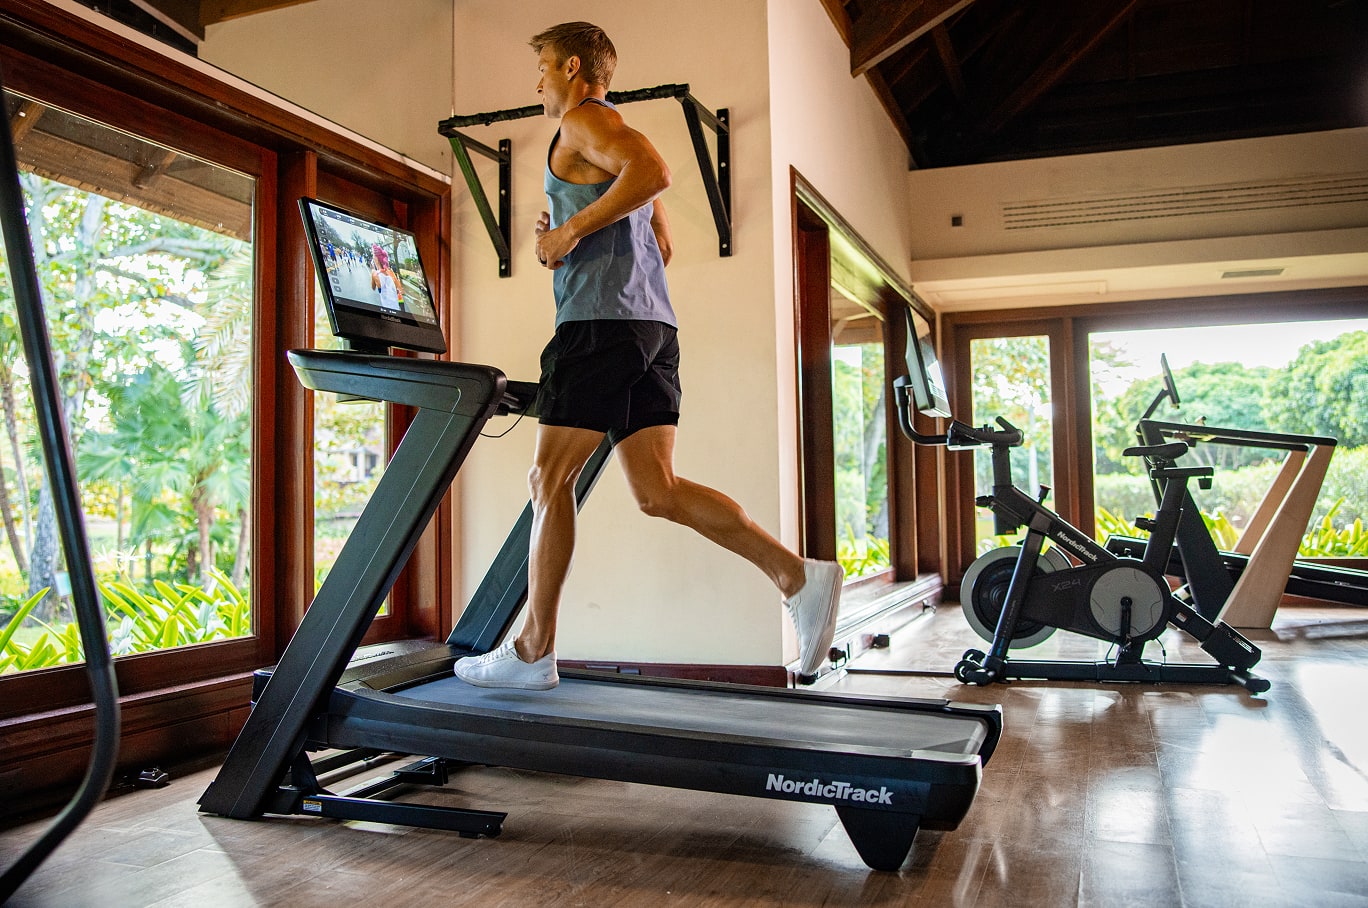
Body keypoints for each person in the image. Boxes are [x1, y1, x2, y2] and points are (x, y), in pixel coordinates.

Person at [454, 21, 842, 691]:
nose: (538, 81)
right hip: (652, 330)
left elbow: (656, 173)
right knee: (657, 491)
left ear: (574, 67)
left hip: (599, 328)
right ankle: (797, 577)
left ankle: (532, 650)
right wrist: (567, 238)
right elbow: (659, 242)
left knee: (549, 480)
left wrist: (569, 230)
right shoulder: (607, 139)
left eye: (543, 67)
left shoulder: (582, 123)